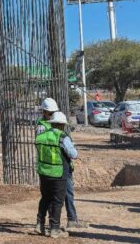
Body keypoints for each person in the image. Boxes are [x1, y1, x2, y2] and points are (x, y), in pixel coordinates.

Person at [36, 98, 87, 230]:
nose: (52, 114)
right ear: (45, 112)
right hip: (56, 169)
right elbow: (71, 153)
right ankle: (54, 227)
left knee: (64, 194)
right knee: (55, 200)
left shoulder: (49, 129)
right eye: (51, 112)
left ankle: (70, 219)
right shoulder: (42, 127)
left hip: (53, 168)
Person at [35, 111, 77, 238]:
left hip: (43, 172)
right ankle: (54, 229)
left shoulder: (41, 136)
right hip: (59, 174)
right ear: (62, 125)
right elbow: (74, 154)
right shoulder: (63, 137)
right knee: (58, 201)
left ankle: (40, 224)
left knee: (45, 199)